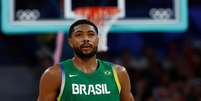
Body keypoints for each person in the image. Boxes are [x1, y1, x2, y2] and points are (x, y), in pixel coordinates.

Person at [37, 19, 135, 101]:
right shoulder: (54, 74)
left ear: (98, 40)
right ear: (70, 42)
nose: (86, 39)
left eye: (91, 34)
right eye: (79, 35)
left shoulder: (118, 73)